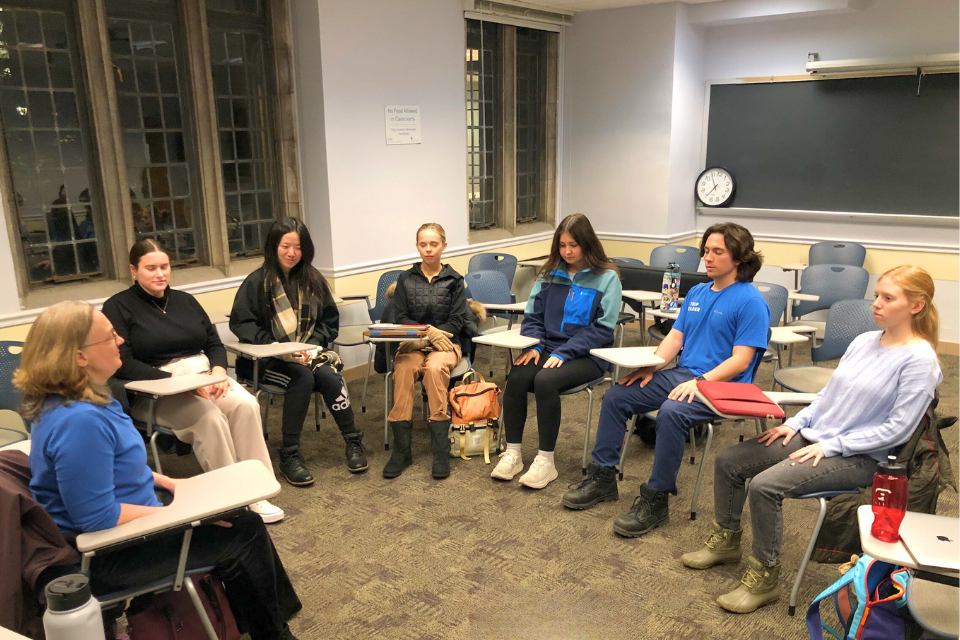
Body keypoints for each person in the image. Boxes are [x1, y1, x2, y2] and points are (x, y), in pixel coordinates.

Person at [18, 301, 303, 640]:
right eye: (109, 337)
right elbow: (96, 517)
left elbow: (112, 467)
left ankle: (262, 621)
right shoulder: (80, 421)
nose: (121, 341)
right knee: (245, 532)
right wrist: (181, 516)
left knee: (238, 518)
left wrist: (168, 481)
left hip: (125, 524)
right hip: (107, 553)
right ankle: (273, 632)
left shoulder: (81, 401)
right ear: (80, 356)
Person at [680, 265, 942, 613]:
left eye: (888, 298)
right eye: (877, 295)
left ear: (917, 306)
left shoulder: (920, 360)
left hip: (862, 457)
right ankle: (726, 542)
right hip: (819, 438)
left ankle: (765, 576)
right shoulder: (865, 341)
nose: (876, 303)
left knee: (765, 486)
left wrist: (830, 446)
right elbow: (828, 396)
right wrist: (795, 424)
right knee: (730, 461)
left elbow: (898, 429)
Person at [562, 223, 769, 537]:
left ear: (739, 258)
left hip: (723, 386)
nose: (707, 257)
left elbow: (741, 360)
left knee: (672, 411)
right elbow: (674, 338)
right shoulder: (697, 293)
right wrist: (652, 366)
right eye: (706, 250)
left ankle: (657, 499)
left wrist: (701, 381)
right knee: (618, 396)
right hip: (684, 375)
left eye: (717, 251)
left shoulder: (750, 301)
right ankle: (603, 477)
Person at [102, 239, 283, 523]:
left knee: (246, 404)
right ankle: (233, 498)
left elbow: (213, 343)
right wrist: (176, 381)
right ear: (133, 270)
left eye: (164, 267)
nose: (160, 274)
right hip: (154, 389)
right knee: (209, 418)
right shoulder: (117, 307)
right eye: (151, 268)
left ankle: (258, 489)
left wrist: (219, 371)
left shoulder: (185, 300)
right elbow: (123, 362)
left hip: (205, 376)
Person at [231, 218, 367, 486]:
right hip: (270, 360)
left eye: (298, 247)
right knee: (302, 378)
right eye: (285, 246)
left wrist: (312, 345)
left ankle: (353, 440)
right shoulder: (257, 282)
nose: (292, 253)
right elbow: (241, 323)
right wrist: (276, 348)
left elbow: (329, 322)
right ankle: (289, 453)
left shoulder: (314, 279)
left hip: (309, 354)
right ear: (274, 246)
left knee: (329, 375)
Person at [490, 214, 621, 489]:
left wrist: (565, 352)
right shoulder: (549, 275)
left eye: (573, 245)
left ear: (587, 244)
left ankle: (545, 461)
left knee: (545, 380)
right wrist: (536, 346)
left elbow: (603, 329)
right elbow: (533, 318)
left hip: (589, 355)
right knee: (517, 375)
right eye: (562, 245)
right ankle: (513, 453)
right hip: (548, 348)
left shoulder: (607, 278)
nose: (567, 251)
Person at [382, 222, 471, 480]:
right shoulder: (405, 279)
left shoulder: (455, 280)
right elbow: (400, 317)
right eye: (423, 244)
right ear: (417, 247)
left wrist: (433, 336)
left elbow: (457, 322)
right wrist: (427, 334)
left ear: (444, 246)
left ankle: (441, 451)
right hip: (413, 343)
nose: (428, 249)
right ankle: (401, 452)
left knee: (434, 368)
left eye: (434, 244)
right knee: (404, 368)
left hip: (447, 343)